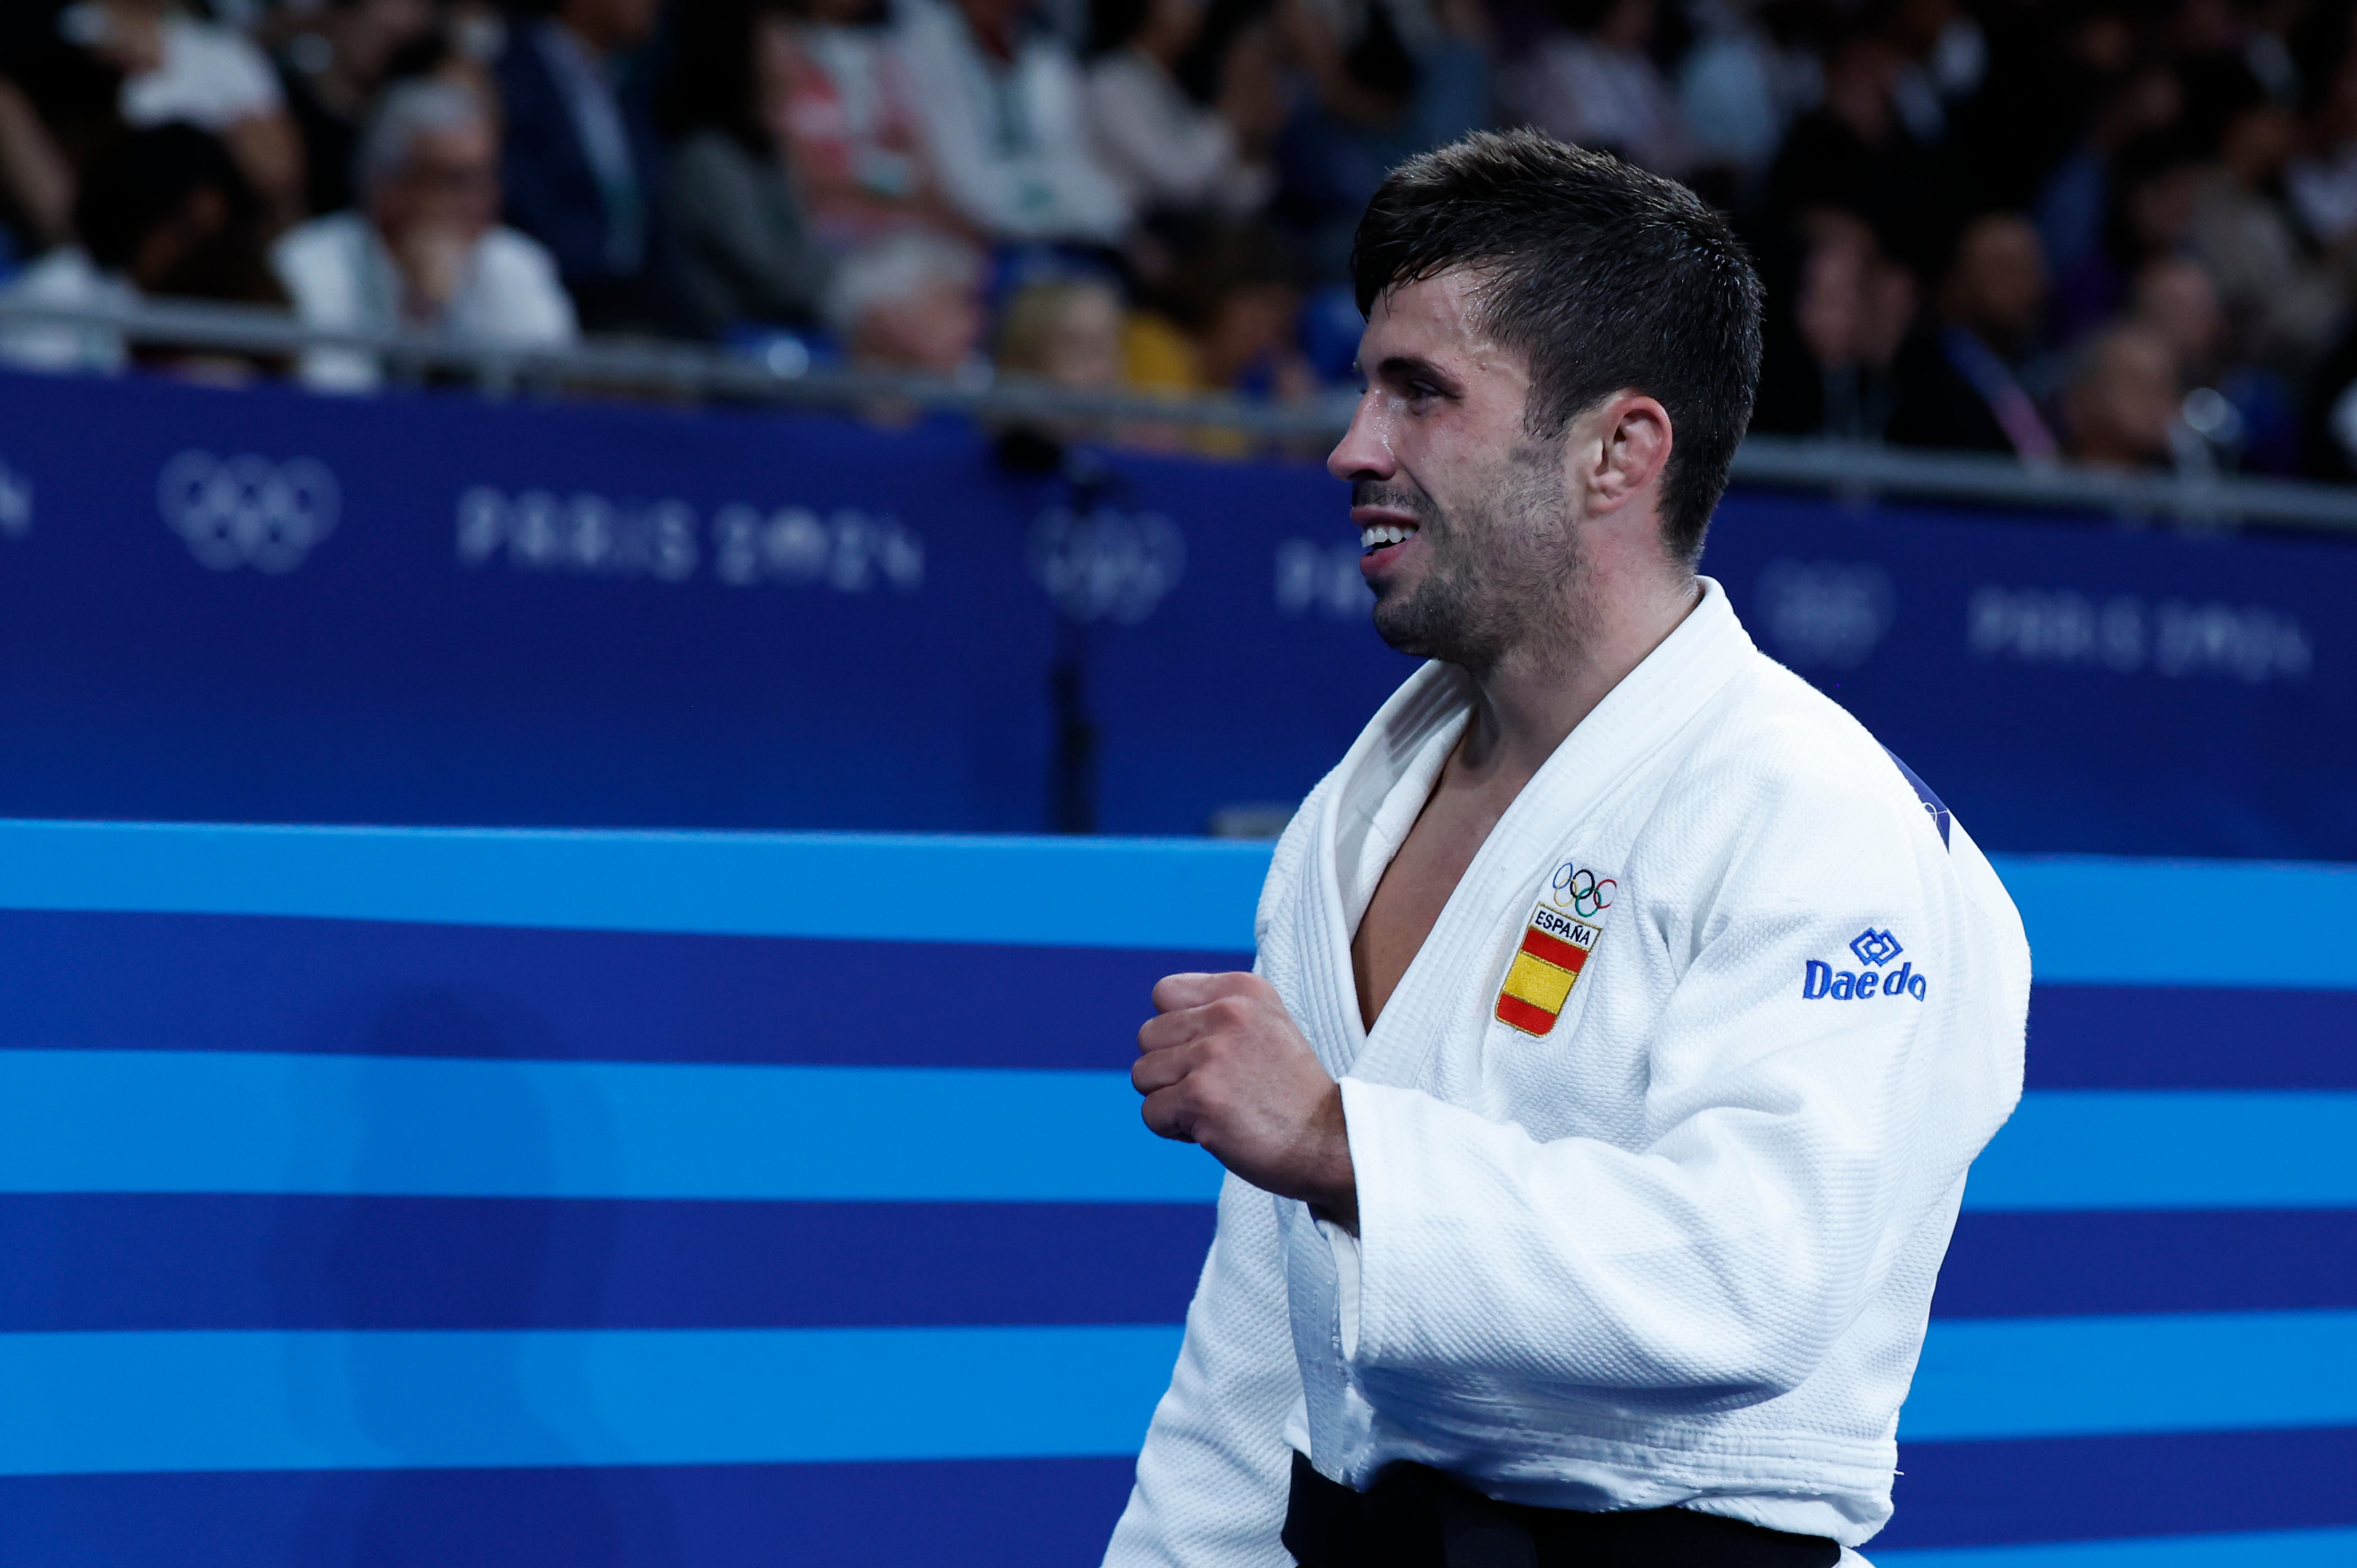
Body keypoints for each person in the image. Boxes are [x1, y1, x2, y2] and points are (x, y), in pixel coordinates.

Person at [1105, 129, 2029, 1566]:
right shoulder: (1352, 815)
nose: (1354, 448)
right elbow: (1262, 1365)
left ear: (1620, 450)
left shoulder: (1816, 822)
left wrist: (1347, 1144)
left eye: (1422, 396)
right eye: (1365, 389)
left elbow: (1756, 1279)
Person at [271, 78, 577, 390]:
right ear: (386, 185)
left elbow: (546, 390)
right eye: (456, 181)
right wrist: (419, 316)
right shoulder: (306, 264)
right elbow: (329, 395)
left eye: (486, 178)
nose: (480, 201)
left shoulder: (517, 263)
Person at [495, 0, 679, 330]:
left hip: (639, 311)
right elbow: (522, 211)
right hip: (558, 309)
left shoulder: (630, 85)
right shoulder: (510, 82)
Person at [659, 0, 833, 335]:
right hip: (732, 352)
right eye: (784, 38)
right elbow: (777, 277)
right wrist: (861, 284)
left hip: (791, 339)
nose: (799, 57)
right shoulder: (706, 157)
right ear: (741, 47)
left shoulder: (768, 153)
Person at [893, 0, 1131, 245]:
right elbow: (956, 175)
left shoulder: (1046, 57)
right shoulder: (919, 51)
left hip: (1059, 226)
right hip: (975, 233)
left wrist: (1117, 225)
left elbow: (1069, 157)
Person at [1886, 211, 2058, 459]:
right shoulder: (1921, 377)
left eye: (2033, 266)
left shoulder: (2041, 373)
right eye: (2005, 267)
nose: (2028, 282)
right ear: (1955, 280)